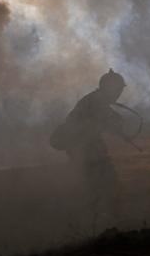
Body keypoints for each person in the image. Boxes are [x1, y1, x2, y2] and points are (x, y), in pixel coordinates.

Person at [50, 69, 128, 218]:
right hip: (84, 150)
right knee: (103, 184)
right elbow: (109, 121)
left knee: (96, 185)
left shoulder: (96, 99)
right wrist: (120, 127)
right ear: (110, 88)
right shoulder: (97, 101)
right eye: (118, 90)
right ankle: (100, 218)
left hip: (85, 149)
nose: (119, 94)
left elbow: (107, 122)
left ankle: (96, 216)